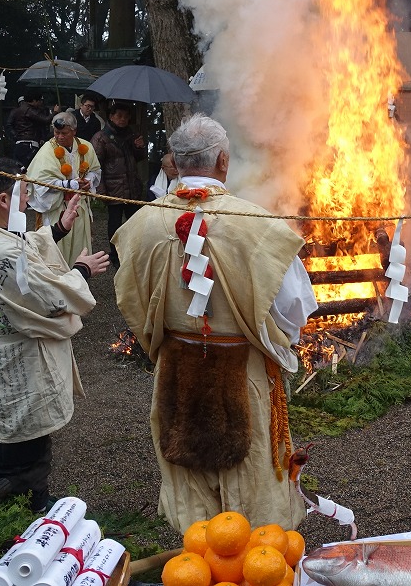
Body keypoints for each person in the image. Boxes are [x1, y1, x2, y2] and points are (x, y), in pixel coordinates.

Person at [114, 114, 318, 531]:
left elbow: (130, 301)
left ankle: (201, 562)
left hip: (175, 368)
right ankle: (257, 563)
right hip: (242, 370)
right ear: (224, 161)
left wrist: (172, 338)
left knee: (192, 489)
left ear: (174, 160)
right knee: (255, 482)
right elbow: (294, 307)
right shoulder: (258, 226)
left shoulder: (140, 225)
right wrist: (269, 341)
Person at [0, 157, 107, 511]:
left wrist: (58, 228)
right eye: (24, 192)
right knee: (18, 453)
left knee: (26, 445)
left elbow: (23, 245)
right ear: (3, 199)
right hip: (15, 364)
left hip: (3, 353)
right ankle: (12, 517)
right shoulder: (0, 250)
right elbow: (47, 298)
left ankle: (34, 501)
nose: (28, 200)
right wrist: (80, 271)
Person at [27, 111, 102, 266]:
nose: (59, 136)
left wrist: (89, 180)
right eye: (56, 132)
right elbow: (40, 184)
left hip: (79, 208)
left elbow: (95, 170)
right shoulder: (46, 151)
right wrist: (68, 185)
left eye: (64, 133)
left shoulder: (86, 146)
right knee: (56, 251)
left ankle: (79, 280)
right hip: (57, 210)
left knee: (79, 248)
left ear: (74, 131)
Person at [91, 101, 147, 268]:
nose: (123, 119)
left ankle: (134, 252)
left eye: (126, 116)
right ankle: (115, 255)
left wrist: (139, 147)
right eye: (119, 116)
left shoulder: (131, 134)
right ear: (111, 116)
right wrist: (100, 190)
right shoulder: (101, 137)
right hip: (112, 186)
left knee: (134, 221)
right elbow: (96, 164)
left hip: (131, 185)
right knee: (114, 223)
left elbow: (139, 157)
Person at [8, 90, 52, 169]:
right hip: (29, 144)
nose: (40, 103)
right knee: (30, 168)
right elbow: (45, 120)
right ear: (34, 101)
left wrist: (15, 136)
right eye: (39, 101)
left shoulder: (15, 111)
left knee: (19, 168)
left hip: (19, 143)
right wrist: (54, 112)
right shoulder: (29, 110)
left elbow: (9, 125)